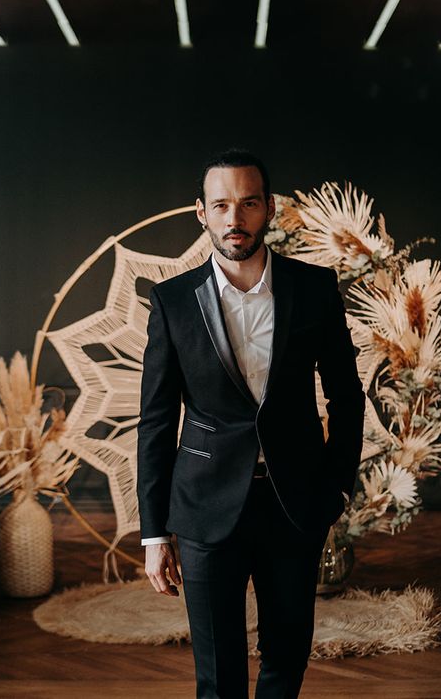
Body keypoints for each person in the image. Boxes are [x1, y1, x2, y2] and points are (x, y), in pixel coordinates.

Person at [136, 149, 365, 698]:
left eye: (248, 203)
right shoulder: (172, 302)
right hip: (204, 506)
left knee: (286, 660)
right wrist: (152, 532)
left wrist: (335, 489)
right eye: (221, 205)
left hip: (294, 502)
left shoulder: (313, 288)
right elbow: (157, 419)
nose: (234, 219)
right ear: (202, 213)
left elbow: (346, 396)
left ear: (268, 210)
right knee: (217, 675)